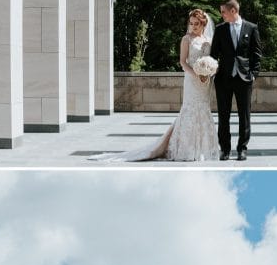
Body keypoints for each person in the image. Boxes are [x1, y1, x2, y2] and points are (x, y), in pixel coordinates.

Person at [88, 9, 219, 164]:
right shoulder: (186, 39)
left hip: (205, 83)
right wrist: (195, 74)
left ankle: (204, 149)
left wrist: (210, 71)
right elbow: (183, 62)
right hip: (192, 80)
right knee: (190, 109)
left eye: (196, 24)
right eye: (191, 23)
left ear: (203, 24)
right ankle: (186, 149)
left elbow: (212, 60)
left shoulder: (209, 40)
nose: (193, 26)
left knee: (204, 109)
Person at [210, 0, 262, 161]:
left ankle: (242, 149)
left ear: (233, 11)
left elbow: (257, 54)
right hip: (223, 79)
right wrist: (211, 70)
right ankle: (225, 149)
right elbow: (213, 55)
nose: (222, 15)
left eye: (223, 12)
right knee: (223, 116)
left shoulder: (251, 28)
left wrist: (253, 74)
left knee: (244, 115)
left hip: (244, 78)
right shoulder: (220, 30)